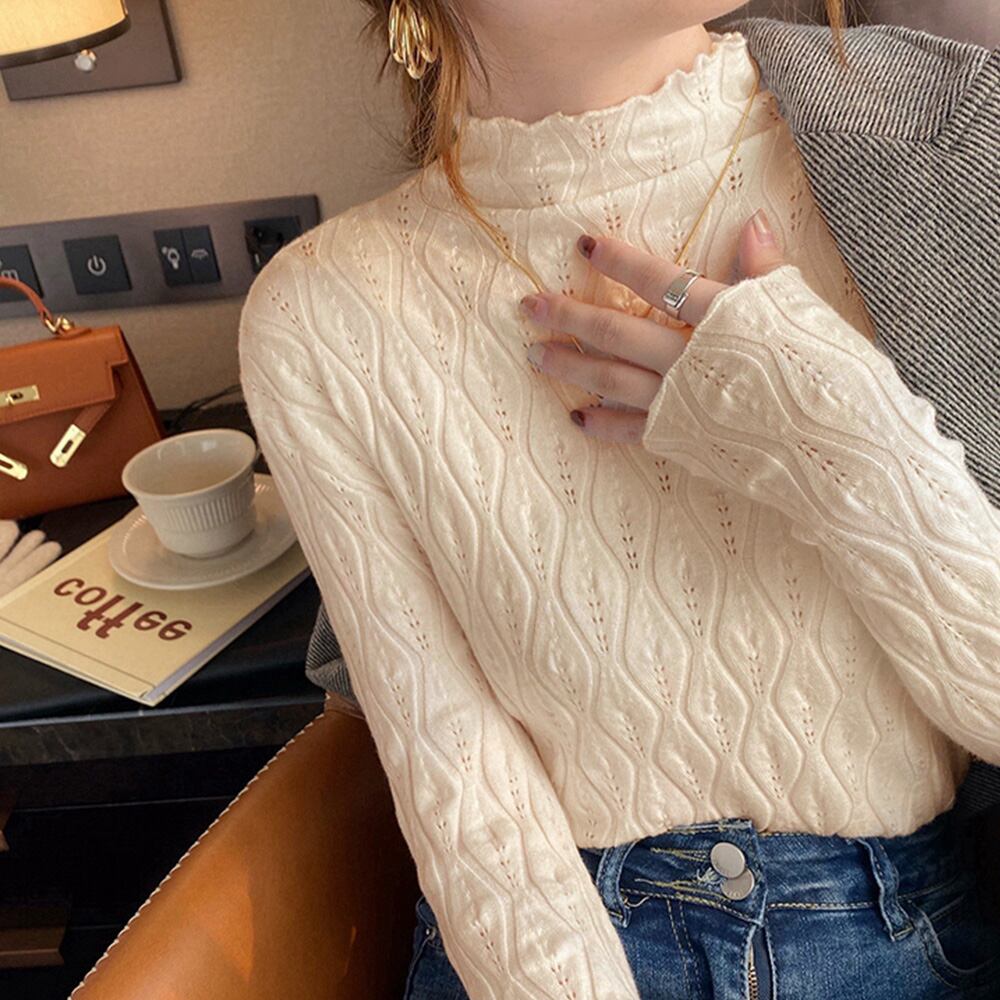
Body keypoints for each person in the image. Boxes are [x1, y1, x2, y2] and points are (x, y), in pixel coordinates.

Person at [236, 1, 1000, 997]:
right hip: (556, 949)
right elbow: (468, 801)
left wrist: (830, 432)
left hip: (913, 942)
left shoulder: (937, 143)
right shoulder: (321, 312)